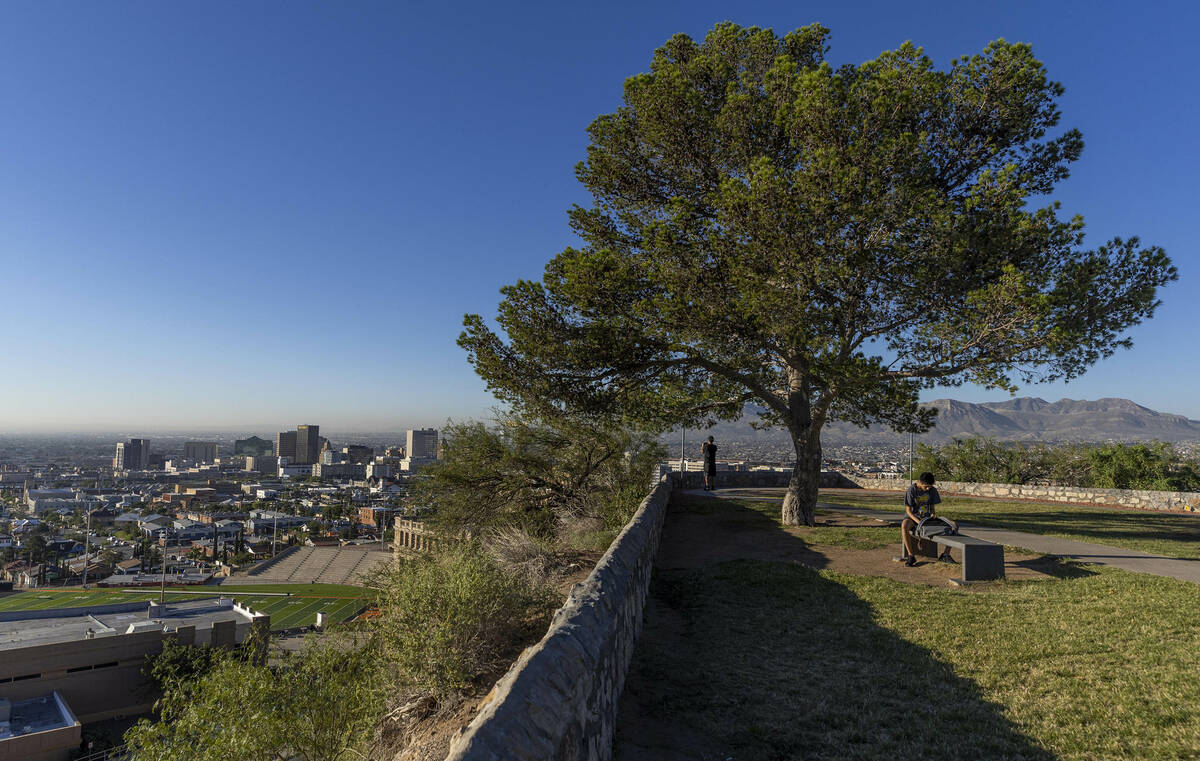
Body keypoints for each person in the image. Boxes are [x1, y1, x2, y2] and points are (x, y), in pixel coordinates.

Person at [900, 472, 952, 566]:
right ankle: (911, 555)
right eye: (926, 486)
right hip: (913, 518)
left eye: (930, 486)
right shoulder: (912, 490)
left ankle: (945, 554)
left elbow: (932, 508)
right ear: (920, 482)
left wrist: (932, 514)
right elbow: (908, 511)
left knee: (953, 526)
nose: (928, 488)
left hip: (926, 518)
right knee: (904, 525)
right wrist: (919, 522)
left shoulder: (932, 490)